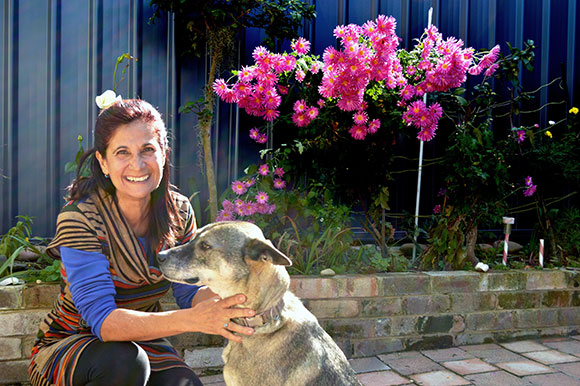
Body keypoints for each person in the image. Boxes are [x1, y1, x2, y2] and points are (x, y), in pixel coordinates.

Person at [29, 99, 256, 386]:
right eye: (122, 152)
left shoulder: (179, 212)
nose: (137, 164)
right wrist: (194, 319)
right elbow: (105, 323)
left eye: (148, 149)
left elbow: (189, 292)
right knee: (125, 364)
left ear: (163, 154)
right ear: (103, 161)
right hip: (73, 346)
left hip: (145, 343)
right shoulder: (80, 218)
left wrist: (234, 307)